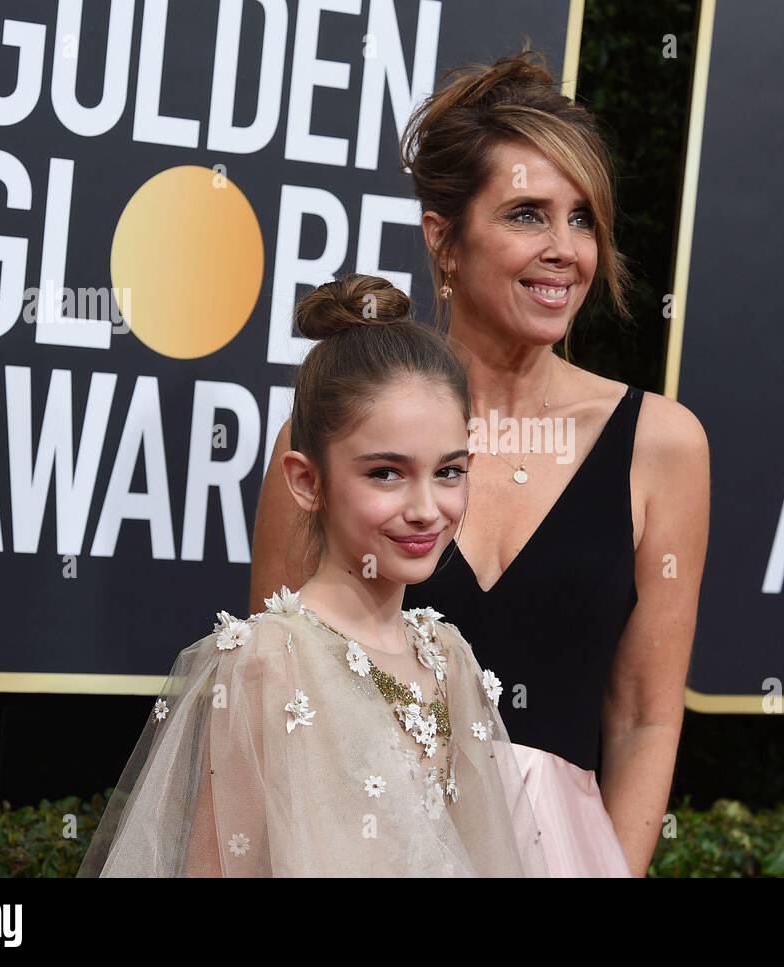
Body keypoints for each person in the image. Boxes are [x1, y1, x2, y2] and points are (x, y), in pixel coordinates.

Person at [249, 50, 711, 877]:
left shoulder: (660, 443)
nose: (565, 249)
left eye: (582, 219)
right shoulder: (341, 429)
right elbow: (277, 695)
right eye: (528, 214)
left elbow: (645, 714)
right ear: (444, 239)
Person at [77, 276, 548, 877]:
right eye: (386, 473)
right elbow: (218, 866)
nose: (427, 507)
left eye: (449, 472)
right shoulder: (268, 660)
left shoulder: (447, 655)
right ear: (306, 481)